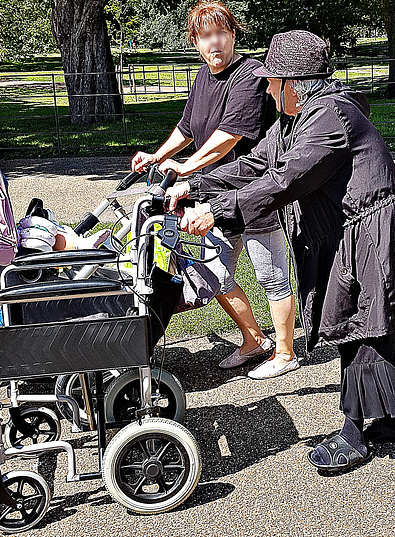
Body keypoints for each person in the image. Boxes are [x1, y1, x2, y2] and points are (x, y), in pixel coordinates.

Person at [173, 30, 395, 472]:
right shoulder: (298, 118)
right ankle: (391, 417)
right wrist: (194, 183)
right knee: (370, 321)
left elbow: (286, 181)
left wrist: (217, 210)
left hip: (370, 232)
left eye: (273, 81)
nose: (266, 87)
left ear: (294, 83)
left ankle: (356, 436)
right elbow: (258, 163)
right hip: (353, 229)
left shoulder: (328, 117)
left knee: (364, 325)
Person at [132, 1, 298, 379]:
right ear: (195, 41)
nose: (215, 43)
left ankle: (286, 353)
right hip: (214, 194)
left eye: (222, 33)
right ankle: (255, 339)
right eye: (206, 36)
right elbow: (188, 128)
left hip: (256, 191)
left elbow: (230, 136)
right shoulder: (203, 78)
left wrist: (186, 167)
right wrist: (156, 157)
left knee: (270, 273)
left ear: (234, 34)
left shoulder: (251, 76)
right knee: (215, 274)